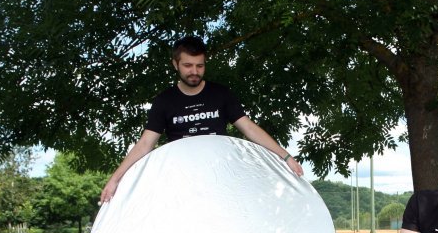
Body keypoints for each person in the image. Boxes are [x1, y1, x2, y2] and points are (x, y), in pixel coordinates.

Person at [100, 35, 303, 203]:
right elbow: (145, 144)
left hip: (221, 179)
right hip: (182, 181)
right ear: (175, 64)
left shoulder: (221, 94)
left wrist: (285, 156)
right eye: (188, 65)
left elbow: (248, 128)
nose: (194, 71)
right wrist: (115, 179)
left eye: (200, 65)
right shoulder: (164, 101)